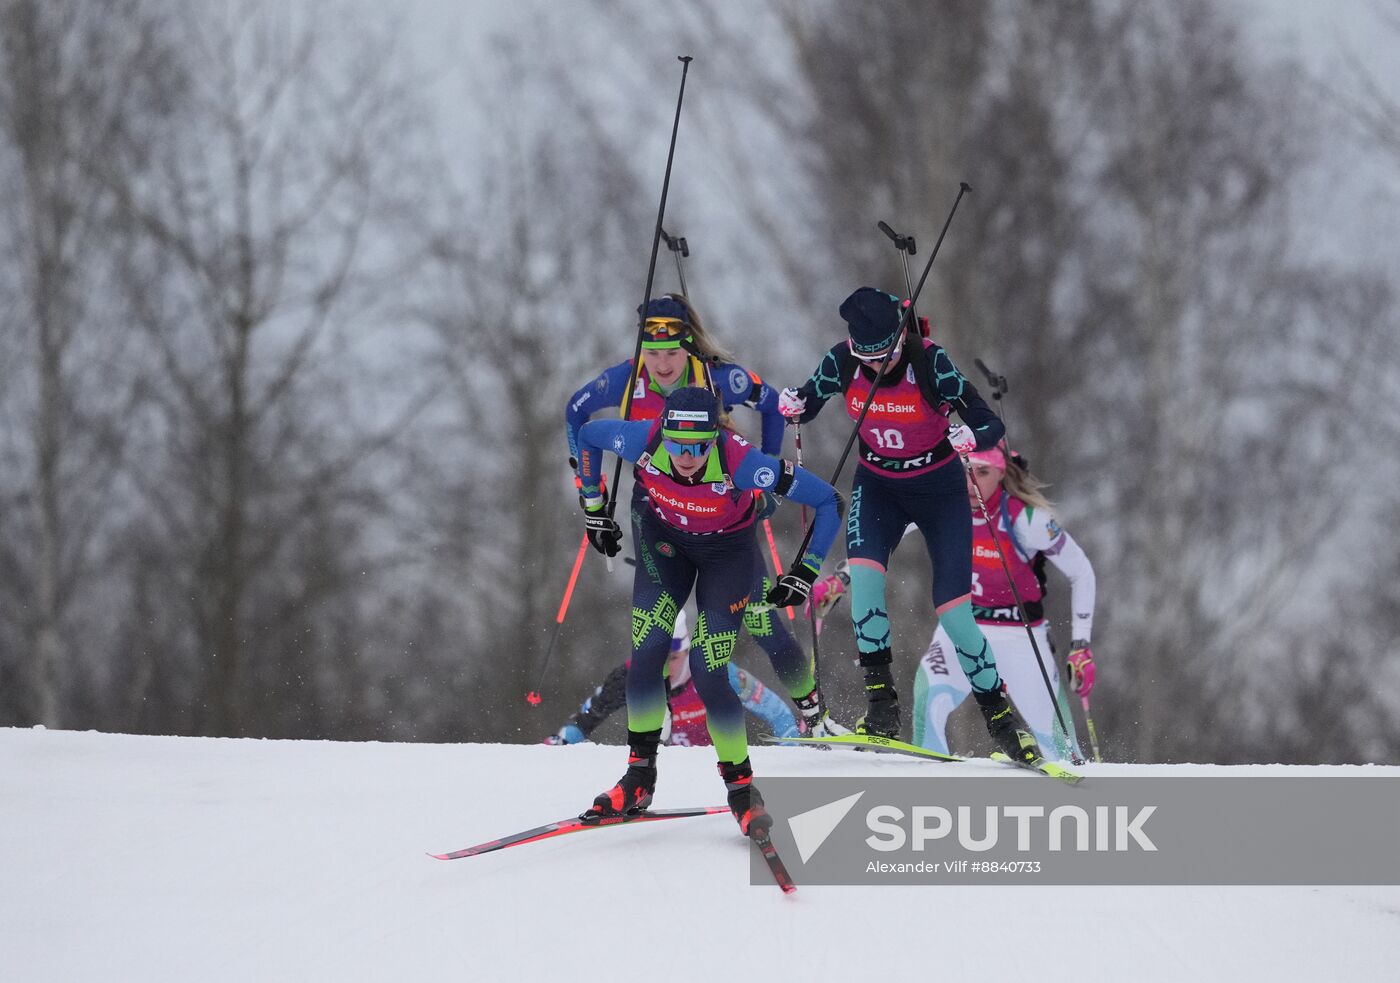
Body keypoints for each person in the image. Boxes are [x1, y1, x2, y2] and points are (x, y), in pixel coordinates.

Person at [778, 286, 1040, 763]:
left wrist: (970, 433)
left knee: (956, 614)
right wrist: (796, 403)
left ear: (899, 342)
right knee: (864, 587)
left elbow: (988, 420)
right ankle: (881, 709)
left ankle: (1004, 724)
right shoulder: (842, 360)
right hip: (878, 487)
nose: (876, 369)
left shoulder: (929, 363)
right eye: (867, 360)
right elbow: (811, 398)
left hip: (939, 491)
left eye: (885, 357)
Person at [564, 294, 843, 737]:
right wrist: (592, 501)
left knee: (762, 623)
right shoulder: (624, 380)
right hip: (656, 509)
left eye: (671, 353)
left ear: (688, 346)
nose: (661, 364)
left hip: (725, 514)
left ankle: (815, 715)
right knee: (655, 635)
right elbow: (578, 416)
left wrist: (766, 469)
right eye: (651, 354)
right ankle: (649, 749)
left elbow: (771, 405)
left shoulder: (718, 377)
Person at [574, 386, 840, 834]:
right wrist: (594, 506)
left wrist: (805, 571)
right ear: (664, 432)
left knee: (706, 668)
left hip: (728, 558)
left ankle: (742, 792)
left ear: (714, 436)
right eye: (677, 443)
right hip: (665, 547)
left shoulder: (745, 463)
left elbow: (828, 500)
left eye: (699, 445)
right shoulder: (642, 439)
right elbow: (586, 434)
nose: (686, 455)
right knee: (649, 652)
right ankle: (639, 777)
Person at [910, 444, 1097, 762]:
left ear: (1001, 472)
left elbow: (1081, 572)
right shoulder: (941, 507)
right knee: (928, 703)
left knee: (1060, 751)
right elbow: (878, 540)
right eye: (965, 471)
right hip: (962, 627)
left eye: (981, 472)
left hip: (1021, 636)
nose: (971, 483)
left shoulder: (1028, 520)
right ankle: (930, 778)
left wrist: (1081, 644)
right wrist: (842, 577)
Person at [542, 611, 802, 747]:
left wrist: (791, 747)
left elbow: (778, 713)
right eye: (657, 656)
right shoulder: (630, 677)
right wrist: (555, 744)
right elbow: (584, 722)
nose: (665, 667)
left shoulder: (716, 671)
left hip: (715, 772)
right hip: (661, 779)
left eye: (673, 657)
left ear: (688, 650)